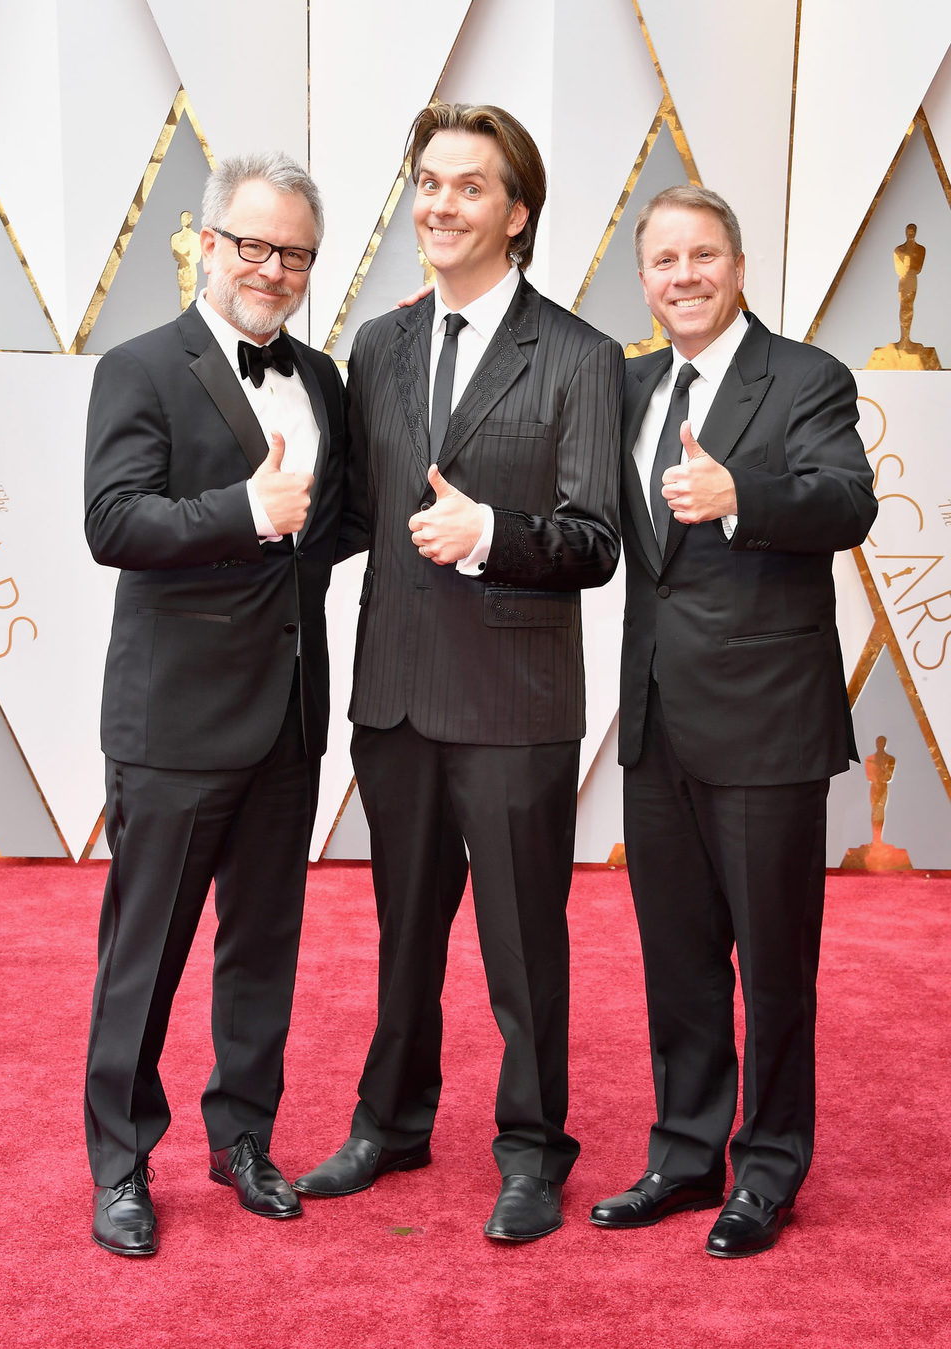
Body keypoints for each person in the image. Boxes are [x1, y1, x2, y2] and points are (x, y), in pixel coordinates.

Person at [293, 102, 622, 1242]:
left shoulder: (580, 355)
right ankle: (391, 1121)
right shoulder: (377, 344)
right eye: (428, 181)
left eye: (468, 185)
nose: (438, 202)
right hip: (394, 693)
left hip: (516, 701)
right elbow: (353, 515)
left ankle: (532, 1147)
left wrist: (490, 532)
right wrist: (247, 520)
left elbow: (594, 539)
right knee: (403, 931)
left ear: (516, 212)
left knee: (525, 944)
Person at [590, 186, 877, 1257]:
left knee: (773, 960)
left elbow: (848, 501)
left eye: (702, 255)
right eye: (663, 260)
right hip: (657, 718)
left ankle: (767, 1165)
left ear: (739, 264)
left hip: (766, 723)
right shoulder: (626, 386)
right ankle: (683, 1150)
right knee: (677, 956)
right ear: (644, 280)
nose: (684, 276)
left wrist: (741, 494)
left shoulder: (806, 377)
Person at [84, 151, 357, 1256]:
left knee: (263, 946)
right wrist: (242, 508)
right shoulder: (140, 367)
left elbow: (328, 533)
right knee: (142, 954)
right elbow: (116, 523)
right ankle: (120, 1163)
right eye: (253, 243)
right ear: (207, 242)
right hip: (174, 722)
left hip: (289, 716)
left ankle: (243, 1132)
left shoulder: (326, 377)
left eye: (294, 251)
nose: (274, 267)